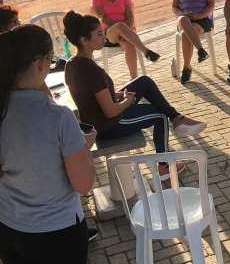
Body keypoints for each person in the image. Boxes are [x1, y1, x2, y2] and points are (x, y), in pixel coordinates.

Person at [0, 24, 95, 264]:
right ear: (41, 63)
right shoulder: (59, 117)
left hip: (5, 225)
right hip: (55, 232)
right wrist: (83, 148)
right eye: (51, 60)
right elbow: (83, 185)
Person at [62, 11, 206, 166]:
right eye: (99, 34)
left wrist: (114, 95)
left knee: (144, 81)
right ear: (84, 40)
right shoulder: (91, 70)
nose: (104, 37)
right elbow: (110, 112)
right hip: (109, 126)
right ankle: (164, 166)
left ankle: (176, 118)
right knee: (160, 116)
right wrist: (127, 101)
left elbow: (88, 95)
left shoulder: (71, 64)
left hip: (94, 121)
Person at [92, 0, 159, 79]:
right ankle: (145, 51)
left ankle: (134, 79)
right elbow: (103, 18)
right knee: (120, 26)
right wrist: (120, 28)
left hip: (126, 33)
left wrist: (123, 31)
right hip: (109, 34)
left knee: (129, 45)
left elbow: (130, 18)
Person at [172, 0, 215, 84]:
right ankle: (201, 50)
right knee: (183, 20)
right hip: (185, 18)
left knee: (185, 34)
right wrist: (182, 14)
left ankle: (187, 67)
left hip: (202, 18)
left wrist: (199, 15)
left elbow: (211, 4)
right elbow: (174, 7)